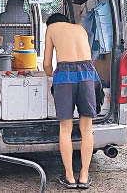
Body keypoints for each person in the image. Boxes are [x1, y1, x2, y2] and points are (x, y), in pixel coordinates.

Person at [43, 13, 99, 189]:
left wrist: (50, 74)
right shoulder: (80, 29)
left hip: (65, 74)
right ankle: (84, 175)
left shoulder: (51, 28)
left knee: (65, 128)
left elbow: (46, 64)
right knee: (87, 128)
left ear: (50, 23)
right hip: (88, 72)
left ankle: (69, 177)